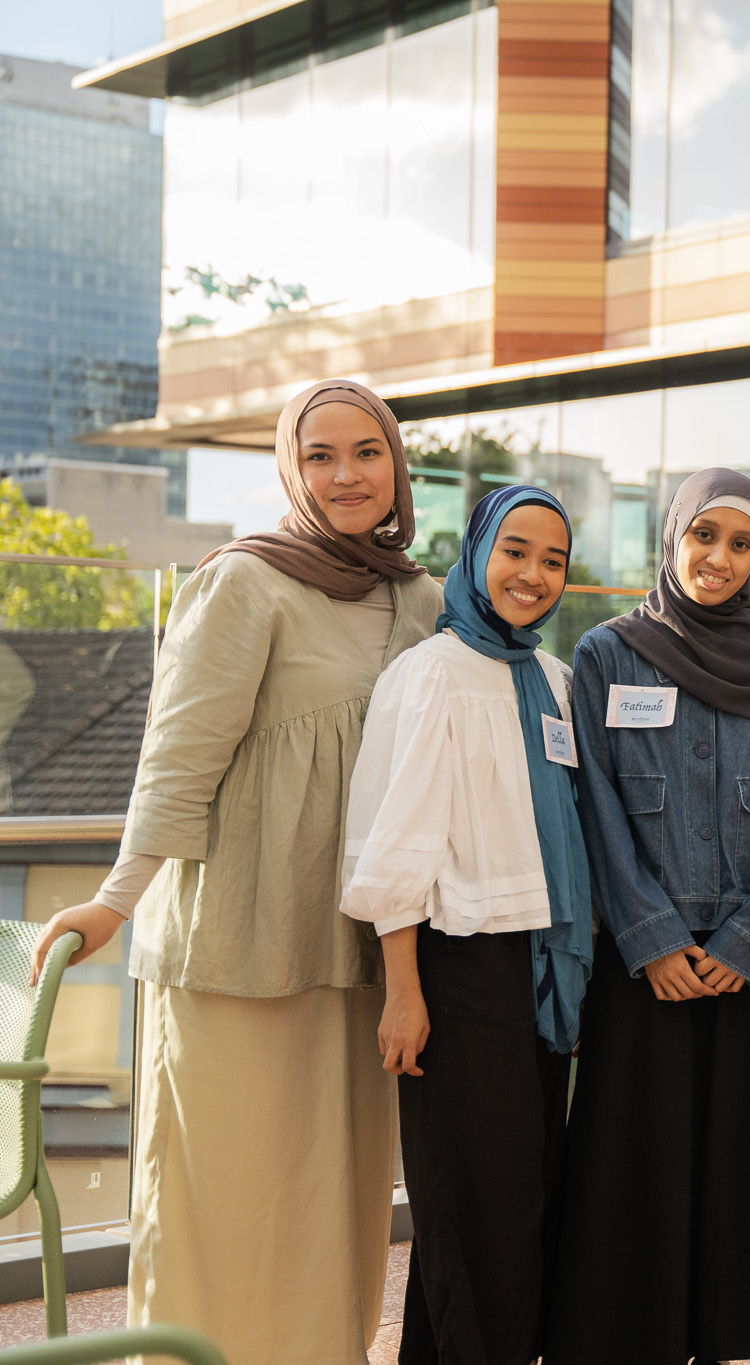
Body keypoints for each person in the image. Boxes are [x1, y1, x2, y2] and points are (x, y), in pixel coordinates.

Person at [33, 379, 441, 1364]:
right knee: (225, 1197)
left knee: (333, 1203)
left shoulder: (422, 599)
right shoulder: (243, 581)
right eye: (318, 456)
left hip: (359, 949)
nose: (345, 475)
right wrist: (114, 901)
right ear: (288, 471)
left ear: (395, 463)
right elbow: (175, 766)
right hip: (233, 942)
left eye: (365, 452)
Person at [542, 470, 750, 1365]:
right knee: (641, 1165)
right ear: (672, 536)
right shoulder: (607, 651)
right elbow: (593, 797)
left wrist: (749, 939)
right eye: (704, 535)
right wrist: (649, 938)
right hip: (652, 965)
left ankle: (738, 1337)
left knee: (749, 1168)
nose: (719, 557)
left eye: (742, 542)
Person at [340, 485, 591, 1365]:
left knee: (518, 1203)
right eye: (514, 550)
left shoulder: (554, 679)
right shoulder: (430, 672)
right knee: (472, 1208)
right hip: (457, 969)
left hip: (541, 969)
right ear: (477, 551)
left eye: (552, 559)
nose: (532, 573)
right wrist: (403, 992)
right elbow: (392, 840)